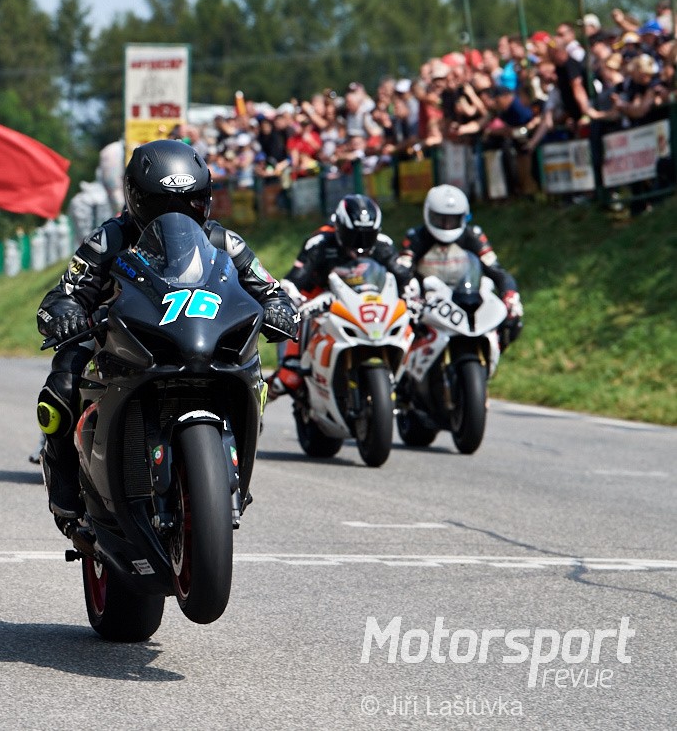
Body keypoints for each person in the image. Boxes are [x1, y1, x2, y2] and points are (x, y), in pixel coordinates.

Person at [34, 139, 297, 531]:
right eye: (162, 205)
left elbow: (268, 287)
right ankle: (67, 494)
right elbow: (66, 292)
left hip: (200, 338)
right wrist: (66, 313)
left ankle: (230, 472)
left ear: (206, 199)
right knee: (62, 384)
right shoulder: (108, 239)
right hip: (123, 340)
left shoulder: (224, 241)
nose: (178, 215)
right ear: (136, 200)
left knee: (253, 377)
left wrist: (279, 307)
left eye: (191, 203)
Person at [266, 194, 404, 399]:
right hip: (319, 300)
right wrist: (297, 299)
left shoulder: (383, 244)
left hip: (364, 302)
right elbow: (293, 280)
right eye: (353, 235)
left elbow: (403, 276)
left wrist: (413, 293)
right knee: (289, 378)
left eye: (367, 236)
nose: (360, 244)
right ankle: (281, 378)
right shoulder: (319, 242)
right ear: (339, 227)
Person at [396, 185, 523, 348]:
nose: (446, 225)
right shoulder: (416, 237)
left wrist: (510, 294)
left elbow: (496, 270)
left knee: (512, 321)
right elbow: (402, 270)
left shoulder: (473, 236)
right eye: (440, 219)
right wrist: (411, 296)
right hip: (429, 306)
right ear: (428, 214)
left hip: (466, 298)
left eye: (452, 219)